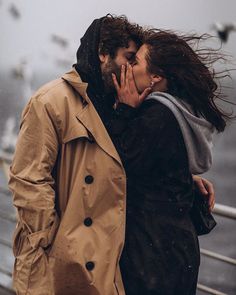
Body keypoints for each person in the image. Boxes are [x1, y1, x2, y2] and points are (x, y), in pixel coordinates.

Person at [9, 15, 214, 295]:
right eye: (128, 58)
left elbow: (124, 161)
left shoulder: (118, 103)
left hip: (110, 265)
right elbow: (29, 180)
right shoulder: (50, 101)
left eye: (135, 61)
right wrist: (50, 242)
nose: (130, 68)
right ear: (103, 54)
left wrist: (180, 177)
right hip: (62, 259)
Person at [110, 30, 230, 295]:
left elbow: (116, 165)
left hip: (151, 256)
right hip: (175, 249)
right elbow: (157, 167)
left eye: (136, 62)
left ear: (155, 77)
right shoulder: (179, 111)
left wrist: (124, 110)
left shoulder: (157, 116)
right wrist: (189, 179)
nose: (127, 68)